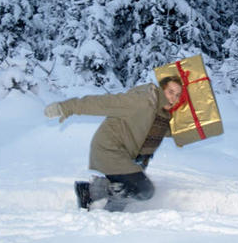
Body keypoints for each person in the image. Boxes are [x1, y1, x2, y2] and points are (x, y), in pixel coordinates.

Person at [44, 76, 183, 212]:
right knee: (144, 190)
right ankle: (92, 191)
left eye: (177, 95)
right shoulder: (141, 101)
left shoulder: (160, 115)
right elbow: (103, 103)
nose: (173, 98)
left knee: (129, 188)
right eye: (170, 92)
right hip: (109, 149)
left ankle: (106, 209)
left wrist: (193, 131)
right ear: (161, 89)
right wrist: (66, 107)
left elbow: (162, 131)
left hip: (124, 155)